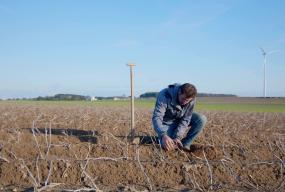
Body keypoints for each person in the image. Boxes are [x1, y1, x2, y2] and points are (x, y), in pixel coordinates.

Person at [152, 83, 207, 151]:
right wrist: (163, 135)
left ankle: (185, 144)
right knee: (166, 143)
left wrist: (177, 137)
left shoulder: (191, 99)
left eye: (187, 100)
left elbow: (186, 119)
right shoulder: (164, 95)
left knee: (201, 119)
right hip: (166, 123)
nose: (184, 102)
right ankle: (157, 138)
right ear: (179, 92)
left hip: (179, 119)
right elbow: (157, 117)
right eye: (183, 99)